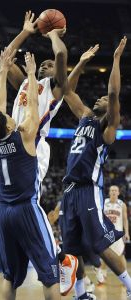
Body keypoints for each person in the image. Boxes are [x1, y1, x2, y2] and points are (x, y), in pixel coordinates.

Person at [0, 10, 78, 294]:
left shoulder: (54, 89)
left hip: (31, 147)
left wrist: (52, 33)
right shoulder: (26, 83)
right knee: (2, 207)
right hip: (11, 142)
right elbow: (6, 58)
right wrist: (26, 31)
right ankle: (46, 255)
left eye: (50, 65)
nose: (46, 65)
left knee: (27, 207)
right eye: (44, 63)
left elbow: (62, 57)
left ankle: (59, 258)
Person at [0, 47, 61, 300]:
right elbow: (32, 107)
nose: (8, 113)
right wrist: (30, 74)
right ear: (8, 124)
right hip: (26, 209)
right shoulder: (26, 137)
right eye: (7, 116)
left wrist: (3, 71)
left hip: (4, 213)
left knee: (10, 278)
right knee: (51, 276)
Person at [59, 36, 131, 300]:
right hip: (69, 189)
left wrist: (115, 59)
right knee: (71, 249)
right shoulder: (86, 117)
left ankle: (130, 286)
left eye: (102, 99)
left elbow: (112, 93)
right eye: (98, 97)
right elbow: (66, 90)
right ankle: (81, 295)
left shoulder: (106, 128)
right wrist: (80, 62)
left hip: (89, 190)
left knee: (99, 245)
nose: (99, 97)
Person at [101, 185, 130, 277]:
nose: (113, 192)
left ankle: (126, 278)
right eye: (112, 190)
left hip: (118, 235)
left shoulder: (122, 204)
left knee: (121, 256)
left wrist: (127, 233)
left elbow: (125, 220)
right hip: (105, 234)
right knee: (104, 256)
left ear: (118, 193)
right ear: (109, 192)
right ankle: (102, 277)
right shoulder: (103, 203)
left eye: (115, 190)